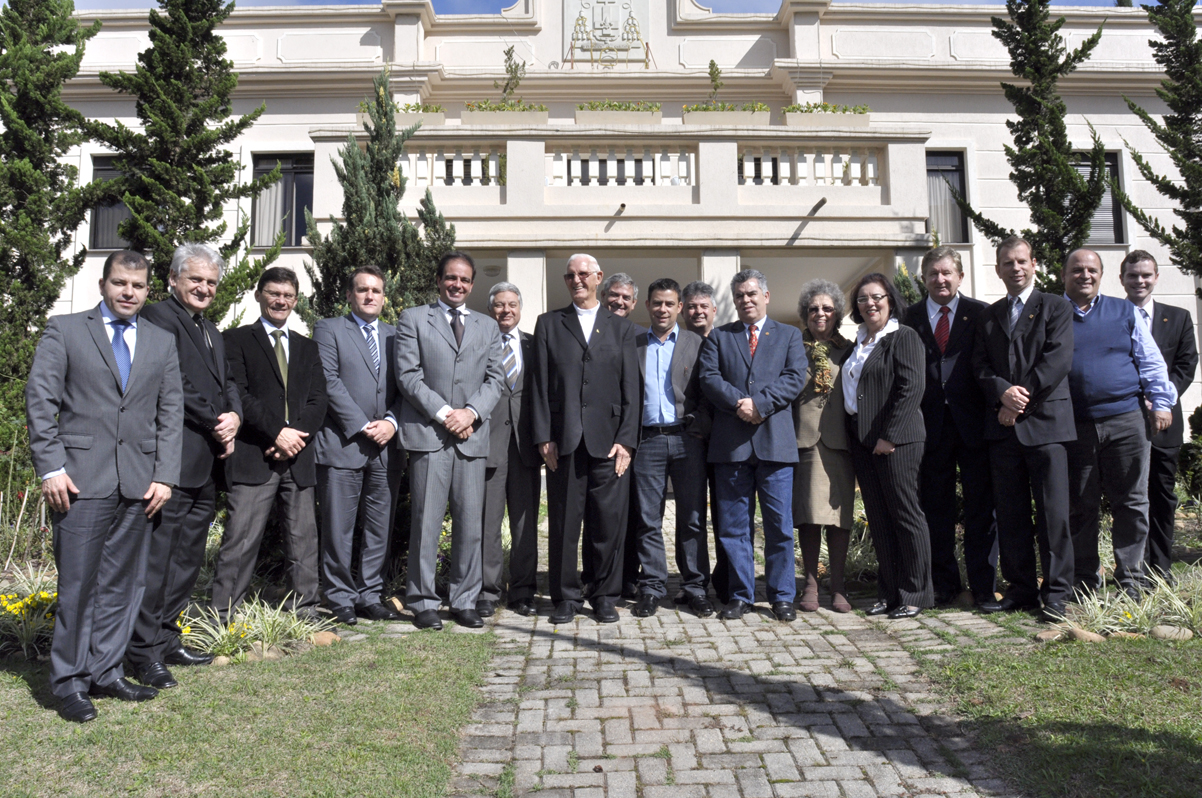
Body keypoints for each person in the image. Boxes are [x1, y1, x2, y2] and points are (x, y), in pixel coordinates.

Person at [26, 250, 183, 723]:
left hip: (139, 483)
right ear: (103, 284)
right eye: (120, 283)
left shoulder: (161, 341)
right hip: (79, 480)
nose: (128, 293)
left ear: (148, 289)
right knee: (77, 586)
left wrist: (165, 475)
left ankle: (107, 670)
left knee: (123, 585)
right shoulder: (67, 330)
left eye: (137, 286)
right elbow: (41, 399)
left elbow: (170, 414)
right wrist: (51, 467)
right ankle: (70, 682)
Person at [128, 244, 239, 689]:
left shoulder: (211, 328)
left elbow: (226, 380)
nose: (204, 288)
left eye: (211, 282)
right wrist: (217, 421)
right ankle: (143, 650)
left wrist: (235, 416)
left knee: (188, 558)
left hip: (207, 464)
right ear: (173, 279)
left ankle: (169, 637)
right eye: (195, 279)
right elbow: (174, 382)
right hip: (171, 462)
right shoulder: (158, 317)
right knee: (158, 559)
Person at [396, 251, 504, 630]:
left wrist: (471, 413)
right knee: (425, 522)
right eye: (450, 278)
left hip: (471, 436)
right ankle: (423, 600)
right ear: (439, 280)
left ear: (472, 285)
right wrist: (446, 414)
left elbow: (496, 380)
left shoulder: (487, 327)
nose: (457, 285)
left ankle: (464, 600)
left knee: (470, 524)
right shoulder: (413, 318)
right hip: (430, 436)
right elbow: (408, 376)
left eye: (464, 280)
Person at [212, 267, 328, 621]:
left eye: (288, 295)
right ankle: (223, 615)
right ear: (259, 294)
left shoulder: (308, 347)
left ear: (296, 300)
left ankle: (305, 611)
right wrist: (277, 433)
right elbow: (238, 394)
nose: (281, 301)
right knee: (241, 540)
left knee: (303, 540)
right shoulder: (234, 340)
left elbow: (319, 400)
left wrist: (293, 438)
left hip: (298, 457)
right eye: (274, 293)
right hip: (255, 454)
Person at [972, 236, 1076, 623]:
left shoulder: (1056, 306)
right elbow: (980, 367)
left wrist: (1018, 402)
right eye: (1006, 263)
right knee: (1011, 514)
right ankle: (1020, 590)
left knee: (1053, 514)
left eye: (1021, 261)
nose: (1014, 268)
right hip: (1003, 431)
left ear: (1034, 264)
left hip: (1046, 427)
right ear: (998, 269)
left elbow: (1057, 360)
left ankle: (1058, 594)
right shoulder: (989, 315)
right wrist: (1002, 393)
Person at [1062, 248, 1176, 598]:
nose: (1085, 275)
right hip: (1075, 425)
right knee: (1080, 504)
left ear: (1101, 274)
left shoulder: (1124, 310)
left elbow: (1150, 359)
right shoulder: (1052, 312)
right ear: (1063, 275)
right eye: (1077, 269)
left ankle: (1131, 578)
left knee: (1132, 501)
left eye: (1092, 270)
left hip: (1126, 420)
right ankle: (1085, 579)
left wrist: (1161, 402)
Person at [532, 254, 640, 624]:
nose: (576, 280)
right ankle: (566, 596)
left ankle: (604, 594)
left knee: (607, 523)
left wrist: (627, 440)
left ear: (599, 278)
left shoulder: (622, 328)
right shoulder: (549, 323)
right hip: (563, 441)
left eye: (583, 274)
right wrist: (544, 435)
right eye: (570, 275)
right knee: (563, 523)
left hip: (609, 442)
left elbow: (631, 389)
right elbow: (540, 386)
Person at [699, 269, 805, 621]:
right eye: (740, 295)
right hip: (731, 448)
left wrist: (760, 405)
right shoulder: (719, 337)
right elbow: (709, 378)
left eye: (751, 294)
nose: (746, 300)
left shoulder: (789, 335)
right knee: (733, 528)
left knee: (778, 527)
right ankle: (741, 595)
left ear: (766, 296)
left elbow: (794, 378)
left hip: (775, 446)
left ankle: (782, 596)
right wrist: (739, 404)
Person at [901, 247, 998, 607]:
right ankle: (944, 585)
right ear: (923, 278)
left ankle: (983, 587)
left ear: (960, 276)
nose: (940, 280)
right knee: (934, 509)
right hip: (928, 427)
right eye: (933, 274)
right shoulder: (908, 318)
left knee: (980, 510)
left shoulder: (980, 314)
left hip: (973, 426)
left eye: (947, 273)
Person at [313, 266, 405, 626]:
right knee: (339, 527)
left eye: (377, 291)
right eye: (363, 290)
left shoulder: (397, 336)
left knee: (379, 526)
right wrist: (364, 425)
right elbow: (329, 381)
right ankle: (339, 596)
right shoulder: (329, 329)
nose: (370, 296)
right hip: (344, 443)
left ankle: (370, 594)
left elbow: (407, 386)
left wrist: (392, 423)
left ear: (384, 297)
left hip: (386, 446)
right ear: (349, 295)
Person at [840, 273, 932, 619]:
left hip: (897, 441)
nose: (870, 304)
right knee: (878, 518)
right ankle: (890, 592)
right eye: (862, 299)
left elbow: (911, 389)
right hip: (863, 441)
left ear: (890, 300)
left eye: (876, 297)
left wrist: (889, 436)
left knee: (906, 516)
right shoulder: (859, 342)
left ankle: (916, 593)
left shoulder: (903, 337)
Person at [628, 278, 713, 618]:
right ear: (647, 305)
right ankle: (652, 587)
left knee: (692, 517)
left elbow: (709, 390)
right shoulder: (632, 343)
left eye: (669, 304)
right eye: (656, 303)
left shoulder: (698, 343)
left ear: (680, 307)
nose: (662, 309)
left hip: (686, 439)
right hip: (646, 439)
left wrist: (699, 426)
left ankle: (694, 587)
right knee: (648, 518)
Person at [1121, 250, 1198, 582]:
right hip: (1123, 419)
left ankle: (1160, 567)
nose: (1140, 281)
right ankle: (1132, 567)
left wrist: (1161, 399)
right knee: (1128, 496)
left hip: (1165, 423)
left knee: (1162, 496)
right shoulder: (1113, 314)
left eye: (1146, 275)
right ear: (1122, 278)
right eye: (1133, 275)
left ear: (1156, 277)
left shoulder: (1178, 317)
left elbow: (1186, 364)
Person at [480, 282, 542, 618]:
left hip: (526, 448)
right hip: (488, 445)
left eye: (512, 305)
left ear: (520, 308)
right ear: (491, 310)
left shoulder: (535, 345)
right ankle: (487, 592)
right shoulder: (479, 343)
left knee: (525, 526)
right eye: (500, 305)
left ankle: (523, 592)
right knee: (488, 525)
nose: (506, 311)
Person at [792, 279, 854, 614]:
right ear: (805, 313)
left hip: (841, 441)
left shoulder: (851, 349)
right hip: (805, 440)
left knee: (840, 515)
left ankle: (840, 585)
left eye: (827, 308)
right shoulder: (793, 346)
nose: (820, 313)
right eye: (813, 308)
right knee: (809, 515)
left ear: (837, 313)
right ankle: (811, 583)